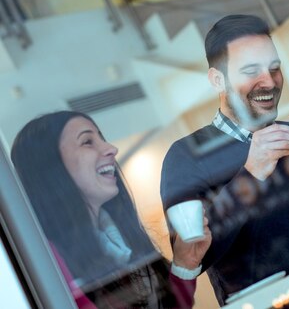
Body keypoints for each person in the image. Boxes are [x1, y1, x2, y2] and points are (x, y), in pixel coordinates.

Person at [160, 14, 289, 308]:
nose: (270, 81)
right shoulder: (186, 156)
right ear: (217, 79)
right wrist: (251, 174)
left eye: (275, 68)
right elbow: (195, 257)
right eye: (251, 70)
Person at [10, 111, 211, 308]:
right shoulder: (48, 263)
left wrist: (185, 263)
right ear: (51, 171)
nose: (111, 149)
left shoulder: (117, 239)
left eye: (102, 139)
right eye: (87, 142)